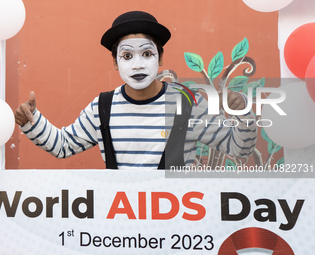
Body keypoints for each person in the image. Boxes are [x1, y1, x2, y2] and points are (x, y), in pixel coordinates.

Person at [14, 11, 257, 169]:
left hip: (179, 228)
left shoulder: (187, 103)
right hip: (124, 228)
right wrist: (32, 122)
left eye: (147, 53)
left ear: (160, 58)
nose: (138, 64)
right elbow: (63, 146)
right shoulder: (102, 108)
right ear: (115, 62)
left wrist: (243, 113)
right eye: (127, 55)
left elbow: (239, 149)